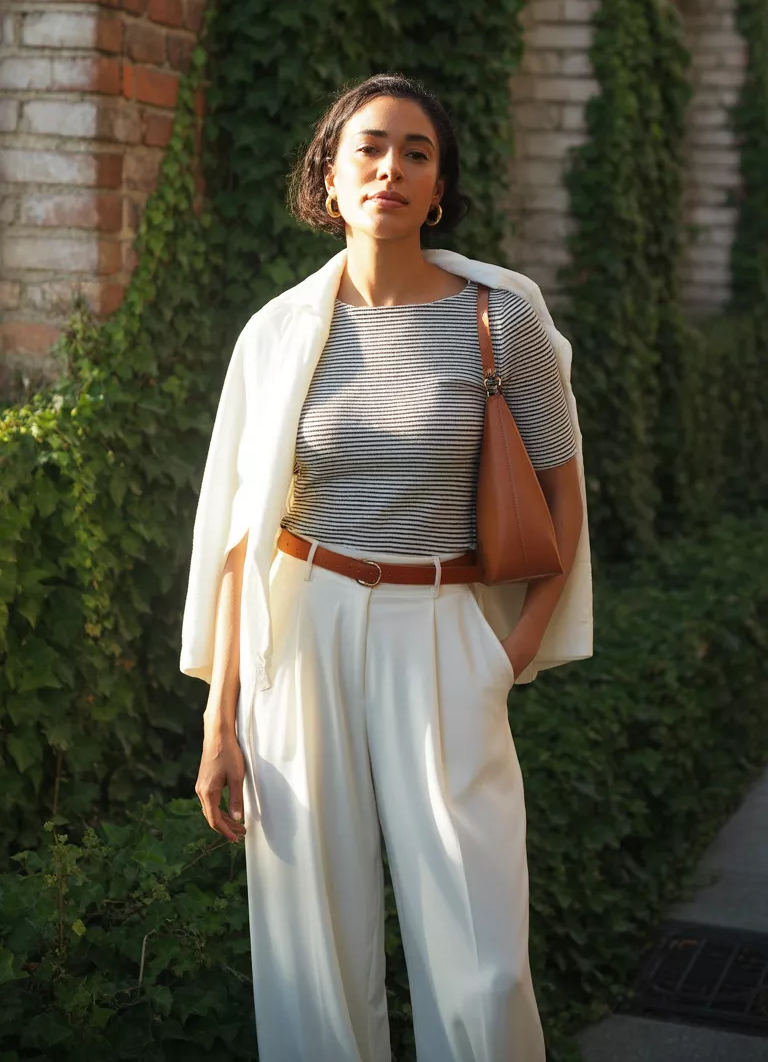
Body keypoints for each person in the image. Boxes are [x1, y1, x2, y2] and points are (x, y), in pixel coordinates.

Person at [182, 72, 591, 1062]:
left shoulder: (503, 314)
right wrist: (220, 717)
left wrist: (511, 655)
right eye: (369, 147)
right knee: (309, 942)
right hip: (302, 624)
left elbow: (564, 498)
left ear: (439, 186)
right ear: (329, 174)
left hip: (444, 629)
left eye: (417, 152)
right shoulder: (277, 333)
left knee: (481, 952)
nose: (391, 168)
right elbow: (243, 540)